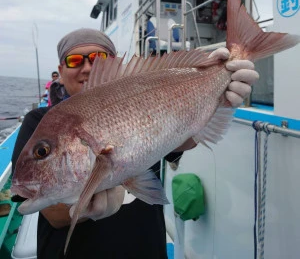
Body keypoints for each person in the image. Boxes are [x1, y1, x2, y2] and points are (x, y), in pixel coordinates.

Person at [12, 28, 259, 259]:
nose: (87, 67)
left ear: (113, 62)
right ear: (60, 69)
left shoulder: (146, 89)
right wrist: (82, 207)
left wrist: (218, 95)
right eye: (75, 60)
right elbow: (53, 215)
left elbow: (182, 141)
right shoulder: (40, 120)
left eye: (98, 58)